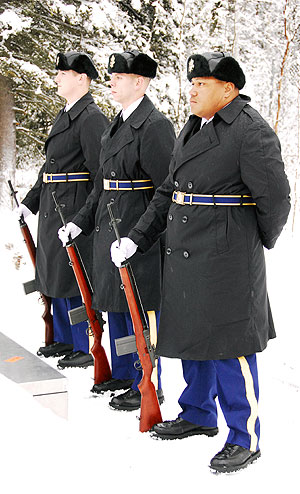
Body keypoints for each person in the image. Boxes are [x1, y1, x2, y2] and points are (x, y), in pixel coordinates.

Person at [110, 52, 291, 472]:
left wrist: (251, 244)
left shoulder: (250, 131)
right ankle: (197, 413)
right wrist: (138, 238)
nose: (192, 90)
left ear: (229, 90)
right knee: (193, 336)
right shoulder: (193, 127)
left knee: (231, 347)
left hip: (227, 259)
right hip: (187, 252)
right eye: (191, 83)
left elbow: (276, 199)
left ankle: (244, 437)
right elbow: (167, 192)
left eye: (202, 84)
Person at [58, 49, 175, 409]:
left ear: (139, 82)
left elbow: (164, 188)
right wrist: (80, 222)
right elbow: (102, 185)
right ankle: (125, 373)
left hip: (137, 229)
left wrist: (140, 237)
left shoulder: (154, 126)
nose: (111, 81)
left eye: (119, 77)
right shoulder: (117, 123)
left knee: (139, 310)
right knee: (118, 306)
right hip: (112, 224)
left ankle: (146, 380)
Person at [18, 51, 109, 369]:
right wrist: (30, 203)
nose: (56, 77)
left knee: (74, 276)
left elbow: (101, 171)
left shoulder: (91, 117)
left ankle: (82, 343)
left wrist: (88, 213)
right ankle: (64, 339)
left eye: (63, 73)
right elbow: (49, 166)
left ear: (81, 79)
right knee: (54, 274)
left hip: (72, 206)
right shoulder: (67, 113)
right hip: (53, 205)